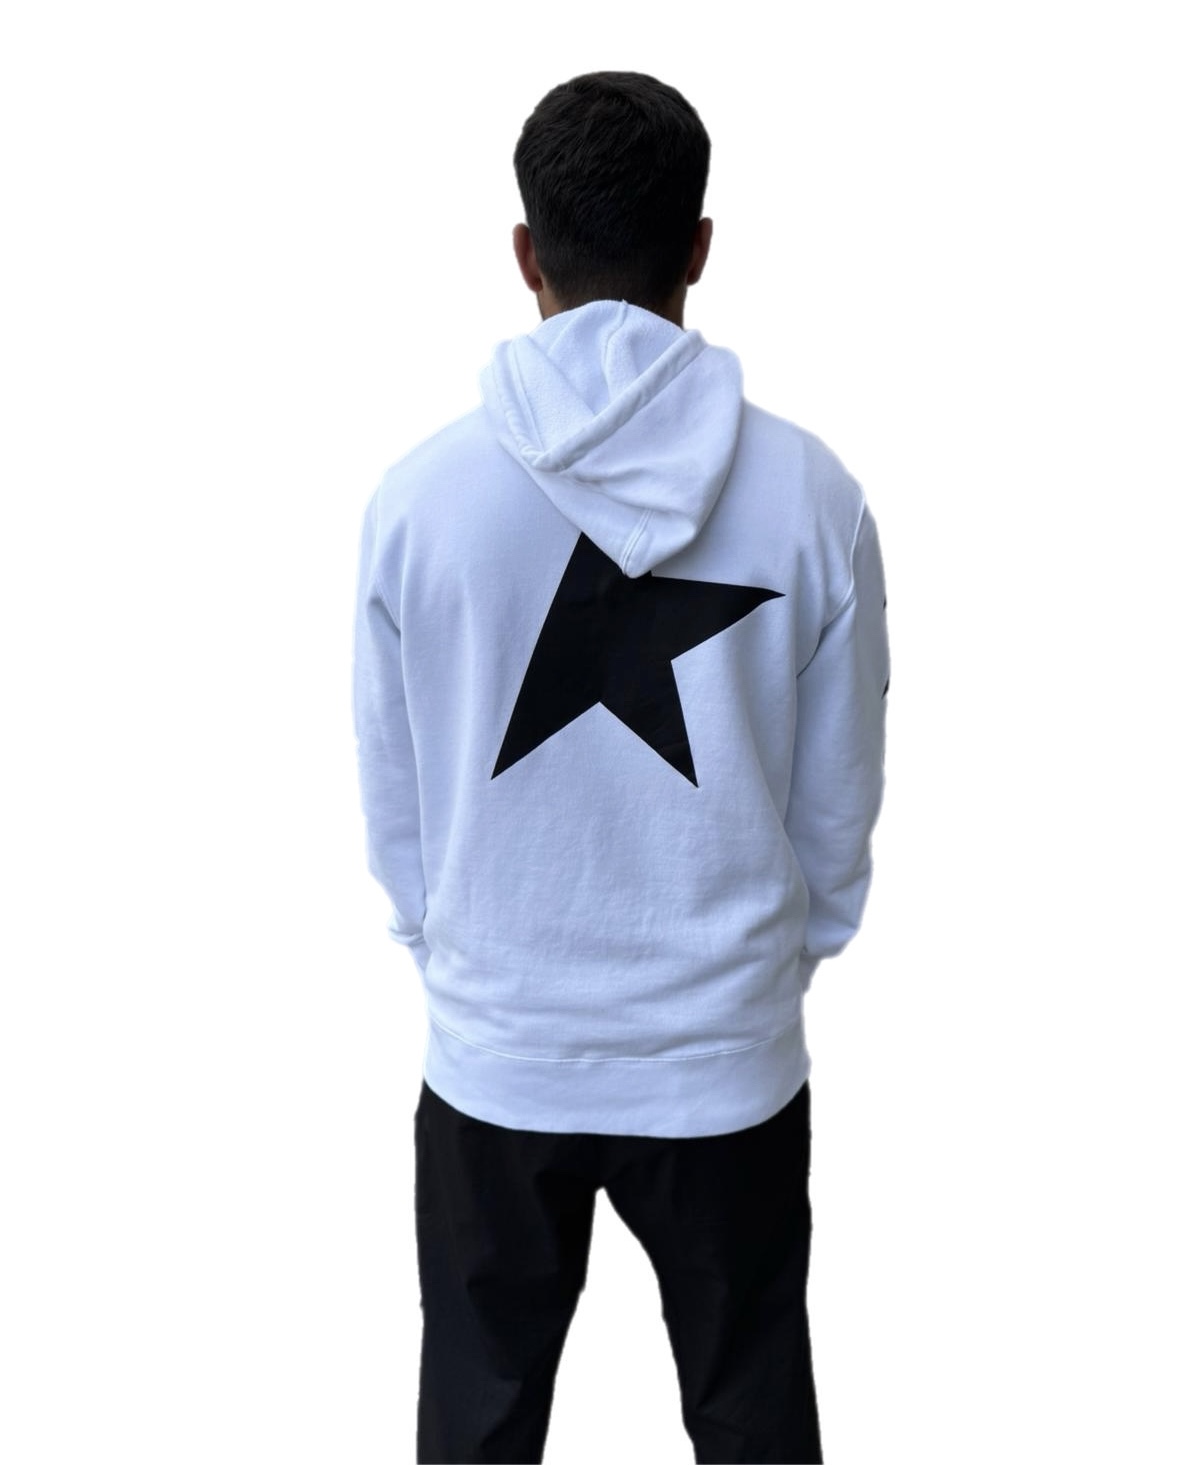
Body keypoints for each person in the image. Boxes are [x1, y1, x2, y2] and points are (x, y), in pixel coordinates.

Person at [353, 69, 889, 1465]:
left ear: (523, 251)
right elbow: (840, 795)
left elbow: (394, 792)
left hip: (498, 1054)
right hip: (727, 1058)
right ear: (699, 247)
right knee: (754, 1413)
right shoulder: (813, 494)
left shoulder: (419, 499)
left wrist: (453, 948)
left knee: (477, 1427)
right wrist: (778, 962)